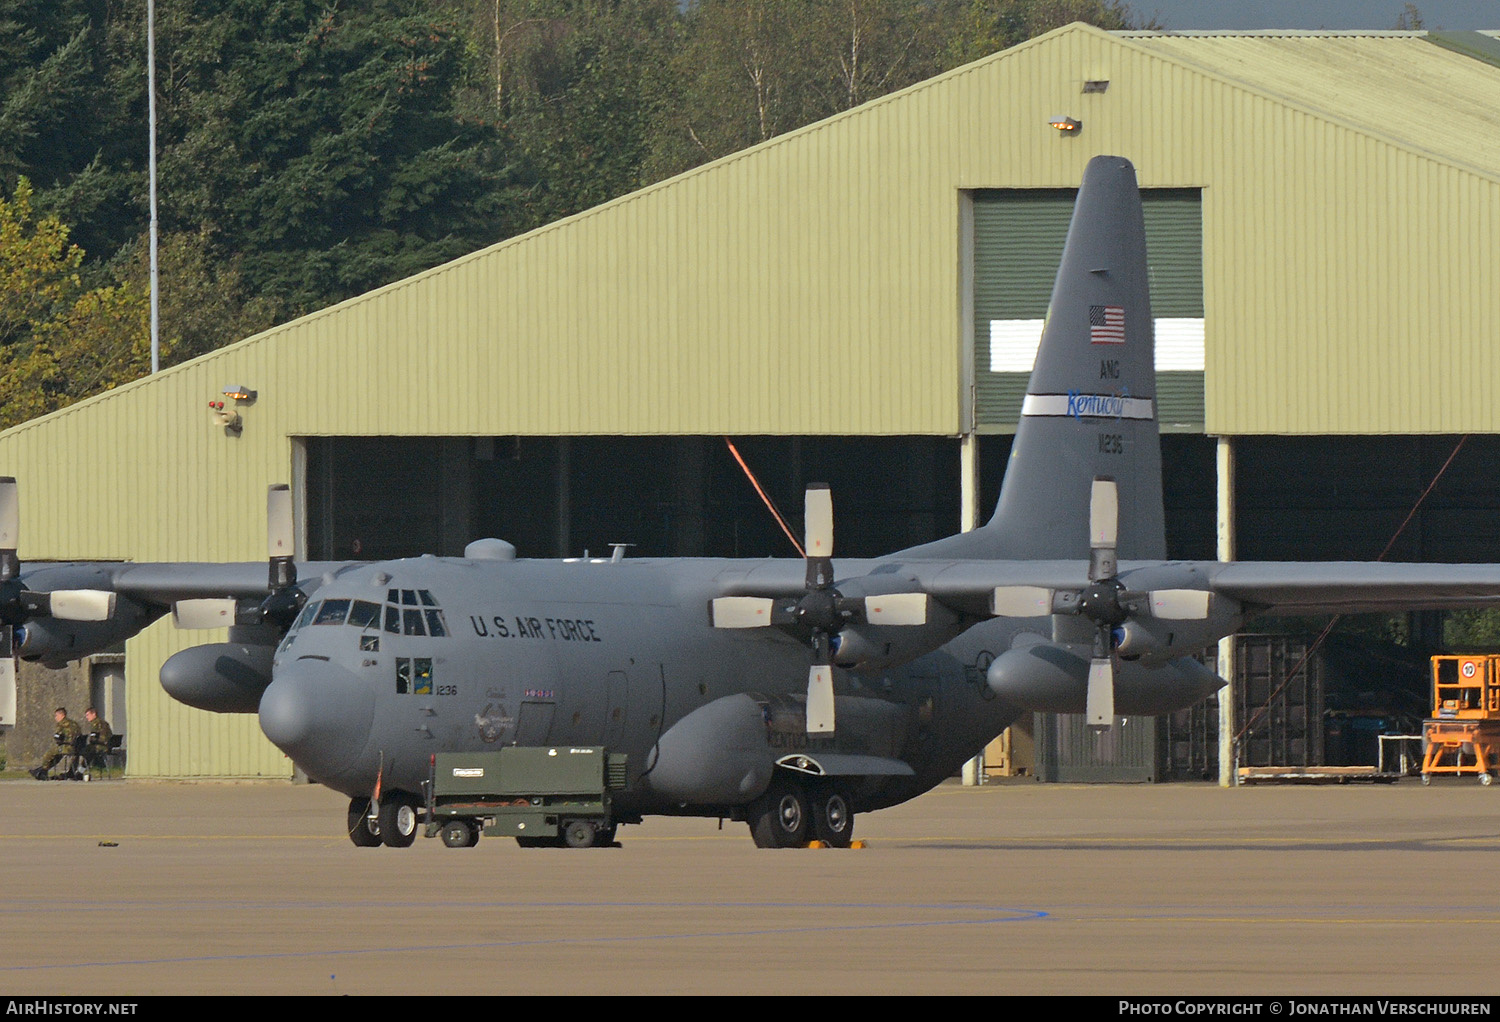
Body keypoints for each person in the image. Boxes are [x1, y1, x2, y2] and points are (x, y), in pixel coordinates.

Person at [30, 708, 81, 780]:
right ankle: (40, 770)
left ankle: (43, 771)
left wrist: (60, 740)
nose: (55, 718)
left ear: (62, 715)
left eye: (56, 715)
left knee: (48, 754)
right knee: (57, 757)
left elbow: (58, 737)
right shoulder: (74, 724)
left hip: (67, 747)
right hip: (77, 748)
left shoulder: (61, 724)